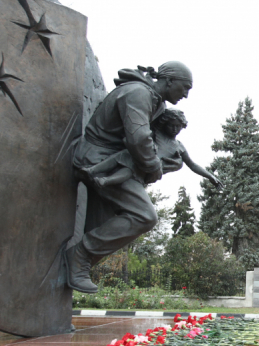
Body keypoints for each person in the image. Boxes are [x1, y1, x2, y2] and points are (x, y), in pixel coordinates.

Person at [67, 62, 193, 293]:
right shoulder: (138, 93)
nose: (185, 95)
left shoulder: (156, 101)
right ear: (170, 81)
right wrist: (154, 166)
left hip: (112, 161)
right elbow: (138, 138)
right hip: (99, 161)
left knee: (101, 226)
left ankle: (72, 272)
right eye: (185, 87)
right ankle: (79, 254)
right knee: (144, 215)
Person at [86, 109, 222, 192]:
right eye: (172, 126)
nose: (175, 129)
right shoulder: (157, 131)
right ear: (165, 123)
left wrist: (210, 176)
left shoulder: (179, 146)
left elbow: (192, 165)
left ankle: (105, 181)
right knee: (123, 156)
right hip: (141, 156)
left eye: (178, 126)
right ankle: (92, 170)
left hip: (150, 168)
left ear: (182, 126)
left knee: (132, 170)